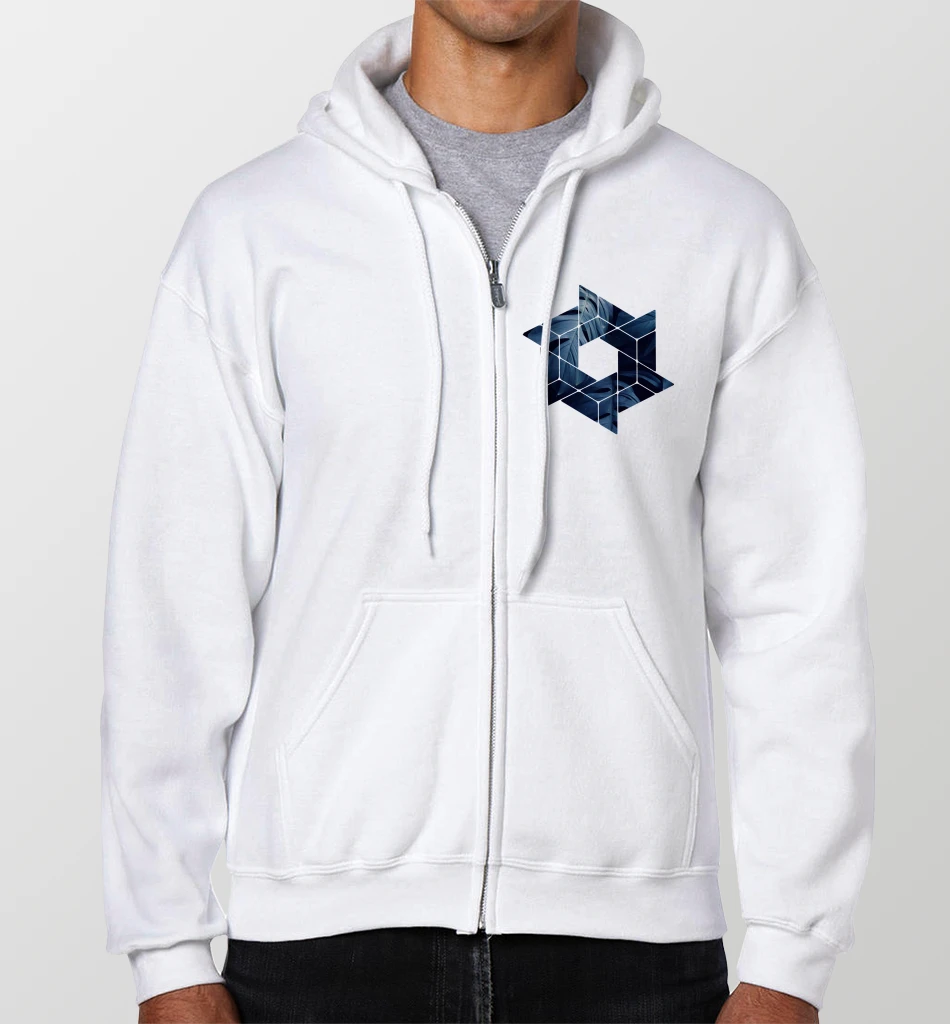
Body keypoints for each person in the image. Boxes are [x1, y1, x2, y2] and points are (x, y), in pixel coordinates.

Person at [101, 2, 875, 1021]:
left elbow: (796, 609)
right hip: (317, 945)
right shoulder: (254, 231)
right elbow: (174, 596)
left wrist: (790, 956)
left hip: (634, 950)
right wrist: (166, 947)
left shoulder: (723, 233)